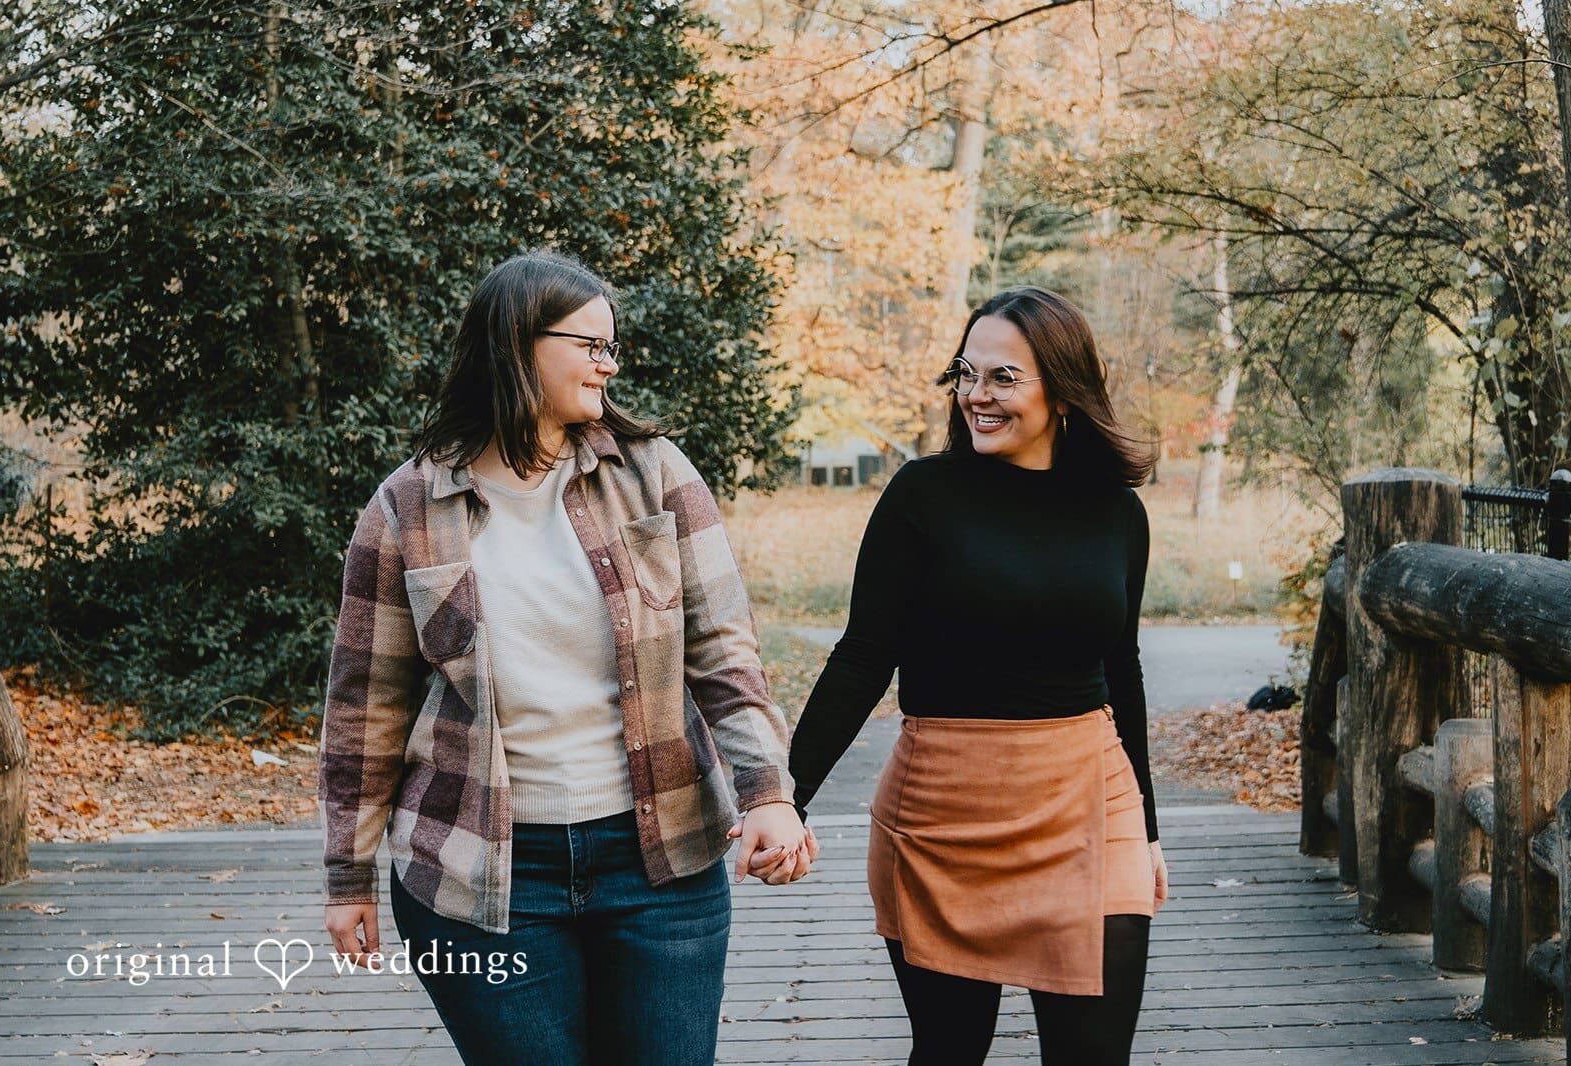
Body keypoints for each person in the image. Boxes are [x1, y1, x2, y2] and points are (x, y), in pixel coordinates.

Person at [317, 251, 815, 1066]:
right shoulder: (405, 508)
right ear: (518, 345)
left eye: (612, 347)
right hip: (477, 877)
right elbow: (364, 708)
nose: (607, 364)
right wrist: (348, 876)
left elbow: (724, 651)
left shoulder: (653, 473)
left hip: (661, 869)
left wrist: (766, 792)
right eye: (590, 344)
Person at [787, 287, 1169, 1065]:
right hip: (943, 815)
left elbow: (1120, 666)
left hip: (1090, 802)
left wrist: (1151, 829)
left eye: (1002, 377)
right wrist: (782, 797)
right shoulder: (922, 497)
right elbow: (863, 655)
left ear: (1062, 388)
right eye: (966, 372)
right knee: (950, 1052)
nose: (975, 395)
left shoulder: (1116, 512)